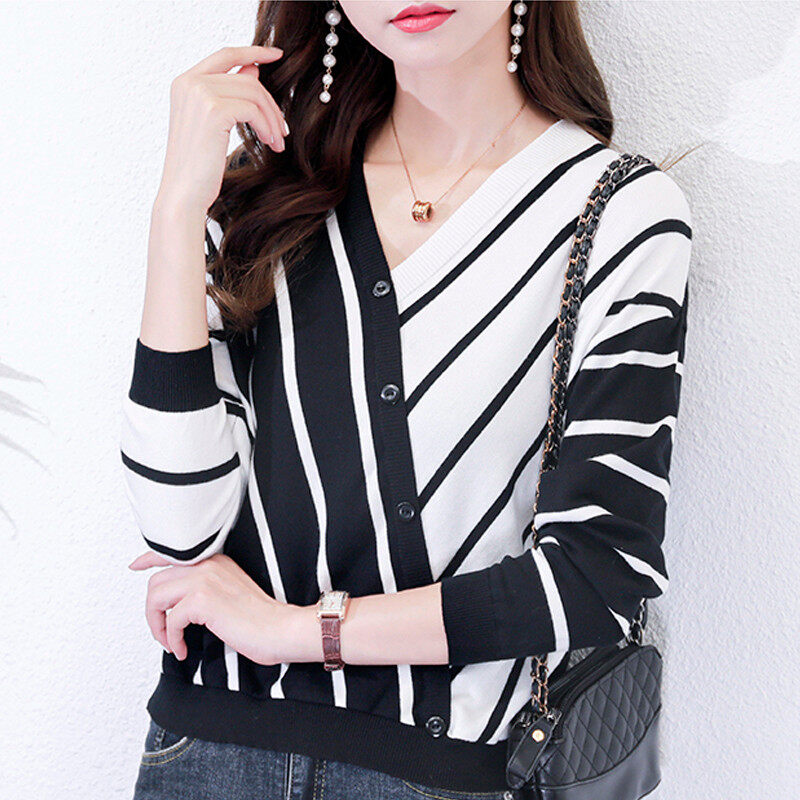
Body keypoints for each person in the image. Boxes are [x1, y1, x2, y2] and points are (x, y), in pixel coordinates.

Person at [120, 2, 693, 798]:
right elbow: (181, 528)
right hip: (207, 757)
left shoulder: (616, 213)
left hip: (445, 774)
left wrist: (297, 632)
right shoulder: (263, 195)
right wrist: (177, 209)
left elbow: (596, 575)